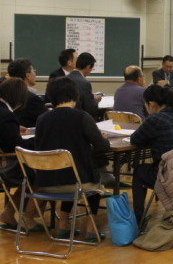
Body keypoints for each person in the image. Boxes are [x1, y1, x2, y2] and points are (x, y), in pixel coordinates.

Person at [34, 76, 111, 241]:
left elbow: (38, 147)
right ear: (75, 95)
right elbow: (102, 147)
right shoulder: (82, 117)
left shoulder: (41, 119)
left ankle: (63, 224)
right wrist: (101, 137)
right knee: (94, 184)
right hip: (77, 184)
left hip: (46, 184)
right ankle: (91, 230)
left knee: (72, 173)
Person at [129, 85, 173, 223]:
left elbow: (135, 140)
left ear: (151, 104)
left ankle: (138, 218)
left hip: (168, 177)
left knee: (139, 171)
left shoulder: (155, 119)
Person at [0, 78, 38, 231]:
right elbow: (18, 145)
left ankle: (9, 213)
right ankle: (28, 216)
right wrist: (38, 139)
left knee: (32, 175)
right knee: (38, 175)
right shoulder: (6, 115)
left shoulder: (3, 112)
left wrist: (15, 128)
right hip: (8, 163)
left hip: (4, 158)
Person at [7, 58, 48, 127]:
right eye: (33, 71)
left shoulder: (6, 94)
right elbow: (47, 120)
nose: (35, 73)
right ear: (28, 75)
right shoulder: (32, 99)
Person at [67, 52, 102, 119]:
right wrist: (96, 99)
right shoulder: (84, 83)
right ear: (88, 67)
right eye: (91, 69)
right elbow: (90, 108)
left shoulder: (64, 78)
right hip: (79, 120)